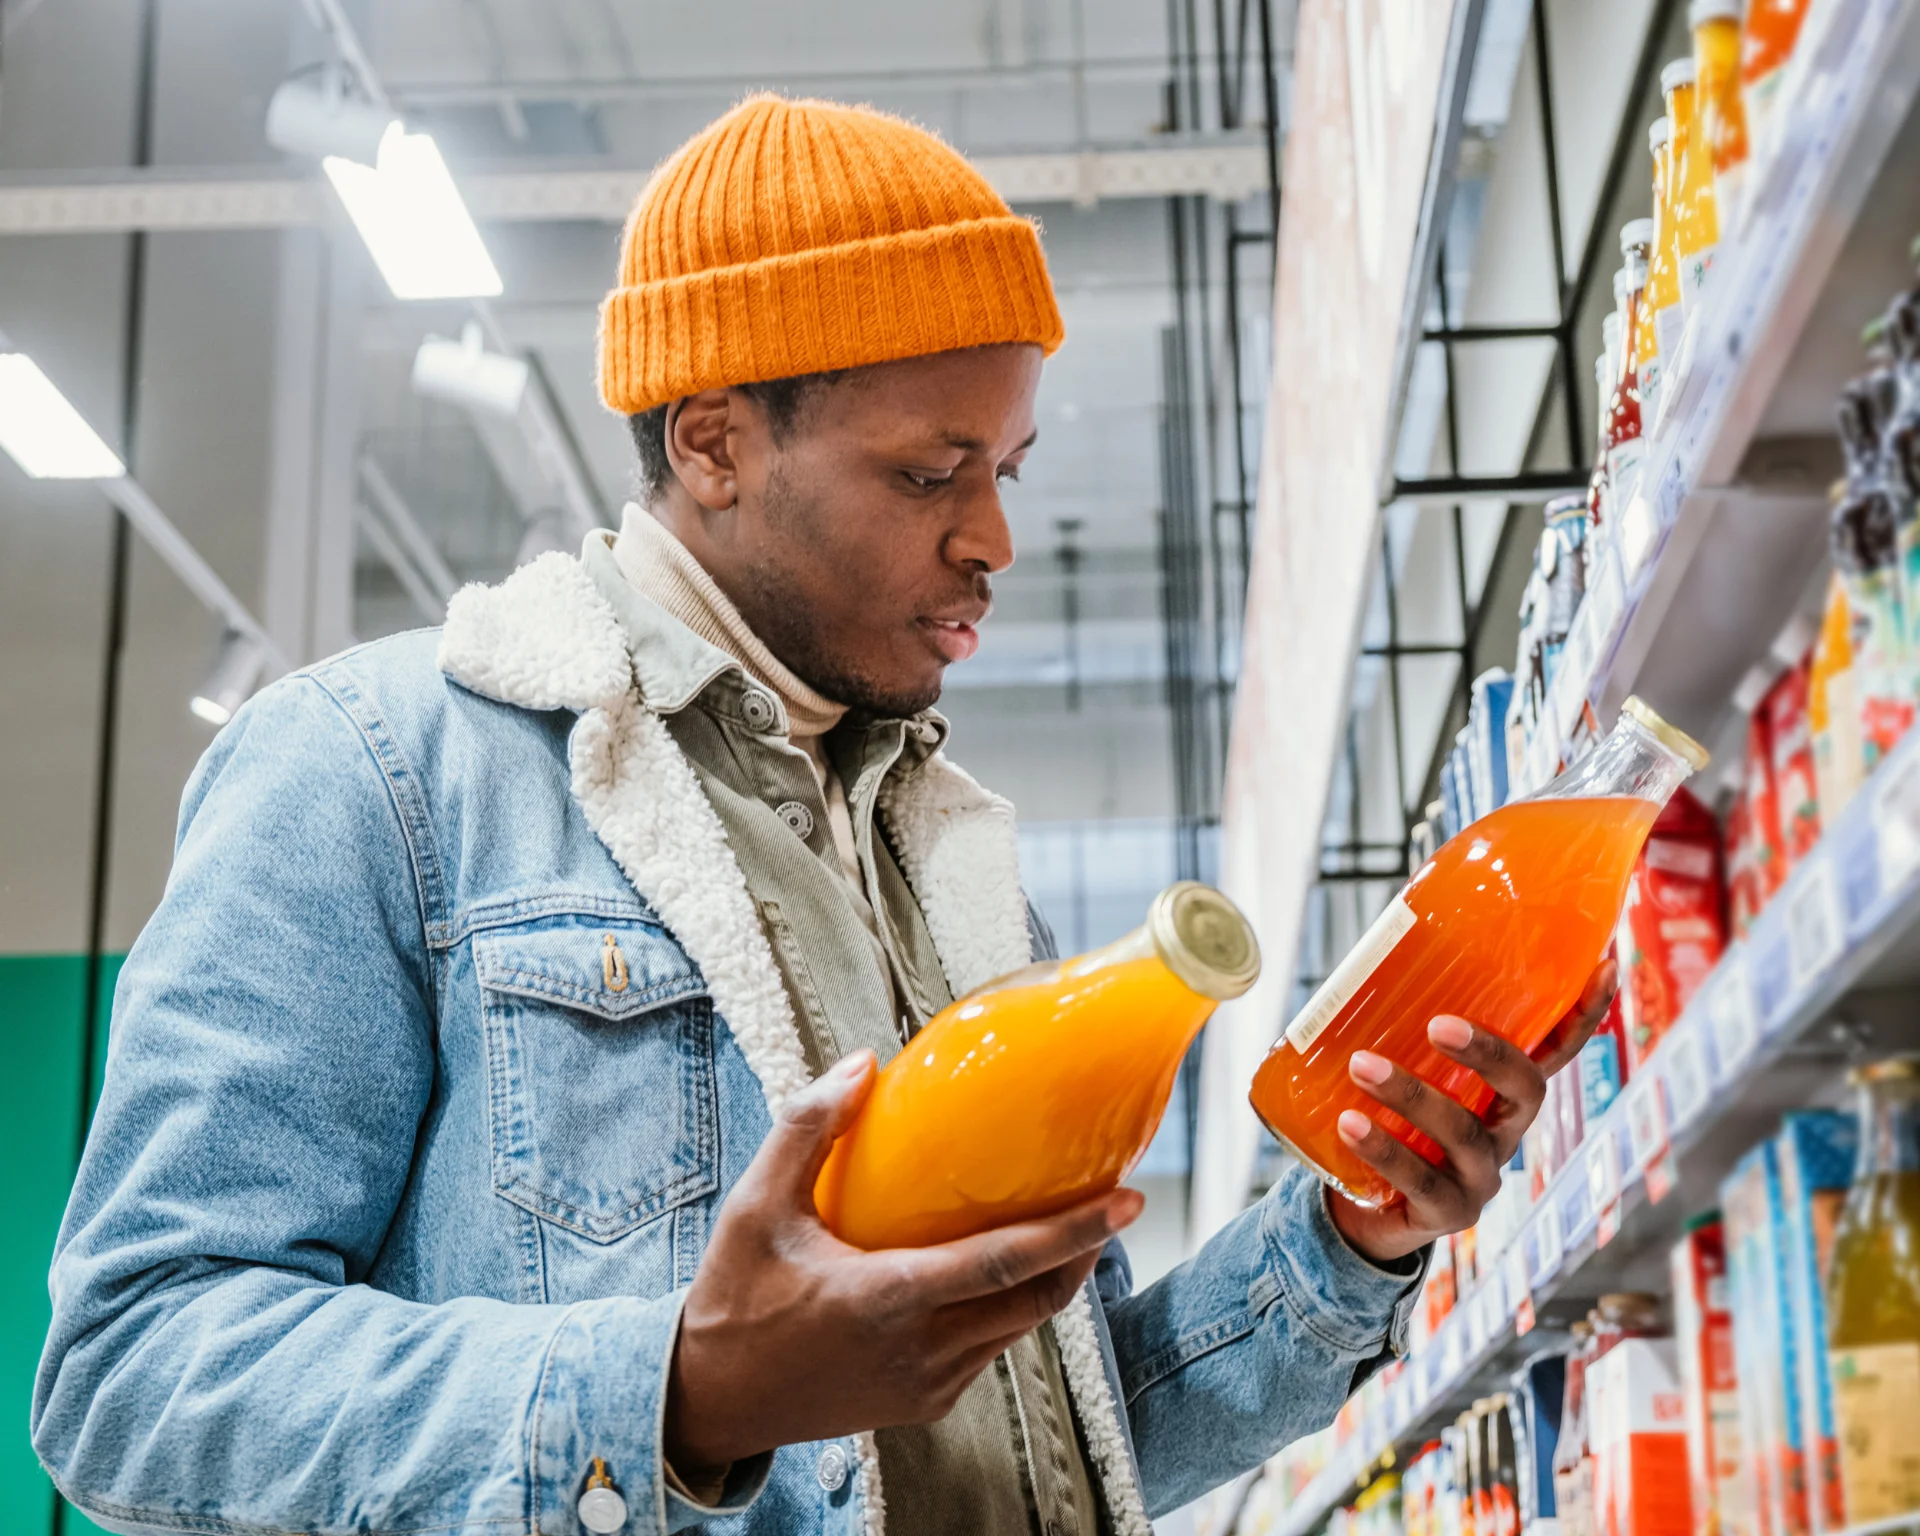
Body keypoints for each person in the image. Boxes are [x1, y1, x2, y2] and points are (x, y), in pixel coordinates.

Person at [33, 96, 1611, 1536]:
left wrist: (1349, 1238)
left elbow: (1048, 1435)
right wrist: (679, 1390)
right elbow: (134, 1372)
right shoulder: (375, 767)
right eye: (933, 473)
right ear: (715, 441)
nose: (995, 535)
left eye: (1007, 464)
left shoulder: (950, 864)